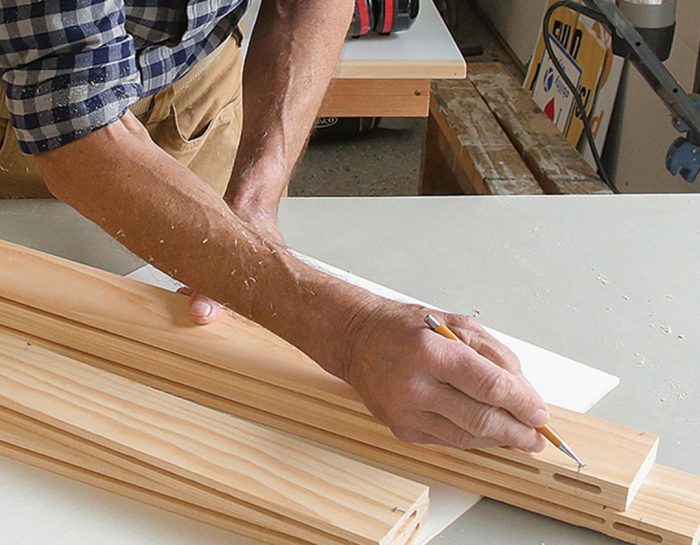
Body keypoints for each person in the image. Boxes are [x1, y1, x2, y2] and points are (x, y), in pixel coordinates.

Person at [0, 0, 549, 453]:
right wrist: (351, 334)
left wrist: (254, 205)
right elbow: (76, 122)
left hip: (196, 77)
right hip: (28, 107)